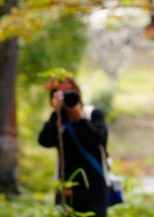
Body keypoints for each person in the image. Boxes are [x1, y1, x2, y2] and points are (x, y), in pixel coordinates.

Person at [38, 77, 109, 216]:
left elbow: (98, 140)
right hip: (66, 188)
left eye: (69, 92)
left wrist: (80, 118)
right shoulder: (58, 120)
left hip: (95, 187)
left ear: (77, 92)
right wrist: (56, 113)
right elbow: (45, 141)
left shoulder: (92, 114)